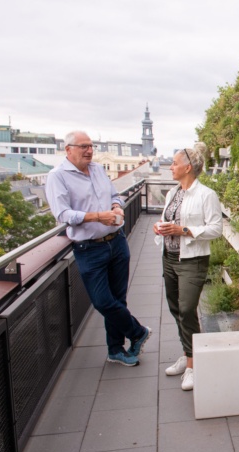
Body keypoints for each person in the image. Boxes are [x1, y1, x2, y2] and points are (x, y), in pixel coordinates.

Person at [46, 130, 151, 366]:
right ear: (68, 149)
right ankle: (137, 332)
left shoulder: (97, 169)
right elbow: (63, 214)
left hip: (116, 240)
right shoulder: (58, 176)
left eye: (91, 146)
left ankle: (116, 350)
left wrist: (117, 207)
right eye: (83, 146)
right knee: (103, 302)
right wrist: (96, 217)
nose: (89, 150)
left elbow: (116, 195)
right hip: (89, 248)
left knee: (118, 300)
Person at [155, 142, 223, 390]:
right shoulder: (173, 193)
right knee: (176, 309)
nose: (170, 167)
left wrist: (183, 230)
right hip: (170, 258)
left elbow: (216, 229)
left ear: (188, 167)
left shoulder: (206, 195)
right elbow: (167, 220)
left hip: (192, 260)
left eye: (174, 163)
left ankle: (194, 366)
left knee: (186, 309)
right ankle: (188, 355)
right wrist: (160, 227)